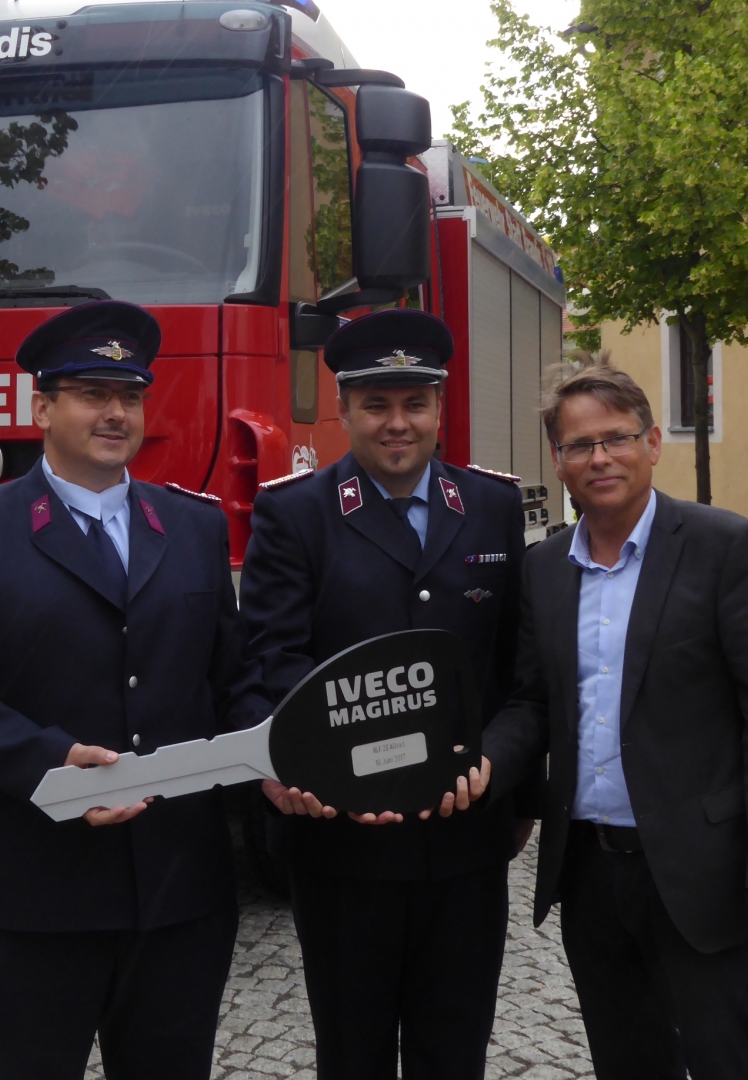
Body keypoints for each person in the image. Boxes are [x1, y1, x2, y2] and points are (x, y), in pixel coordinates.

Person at [0, 300, 269, 1080]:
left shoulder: (192, 527)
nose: (115, 413)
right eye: (93, 394)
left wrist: (281, 747)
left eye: (129, 396)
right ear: (42, 407)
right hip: (29, 896)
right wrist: (48, 761)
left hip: (177, 896)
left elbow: (231, 678)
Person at [466, 365, 748, 1080]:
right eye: (579, 445)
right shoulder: (544, 568)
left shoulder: (725, 548)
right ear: (558, 461)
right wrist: (485, 766)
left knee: (726, 1061)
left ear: (653, 443)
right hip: (589, 870)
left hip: (703, 870)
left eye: (617, 438)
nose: (600, 458)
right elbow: (533, 702)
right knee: (627, 1062)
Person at [238, 308, 535, 1080]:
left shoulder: (494, 507)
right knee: (352, 1054)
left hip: (465, 839)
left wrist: (504, 776)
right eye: (376, 404)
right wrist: (303, 768)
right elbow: (271, 662)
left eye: (415, 403)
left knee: (455, 1053)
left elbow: (520, 674)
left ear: (439, 409)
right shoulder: (295, 513)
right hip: (341, 843)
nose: (397, 423)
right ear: (344, 411)